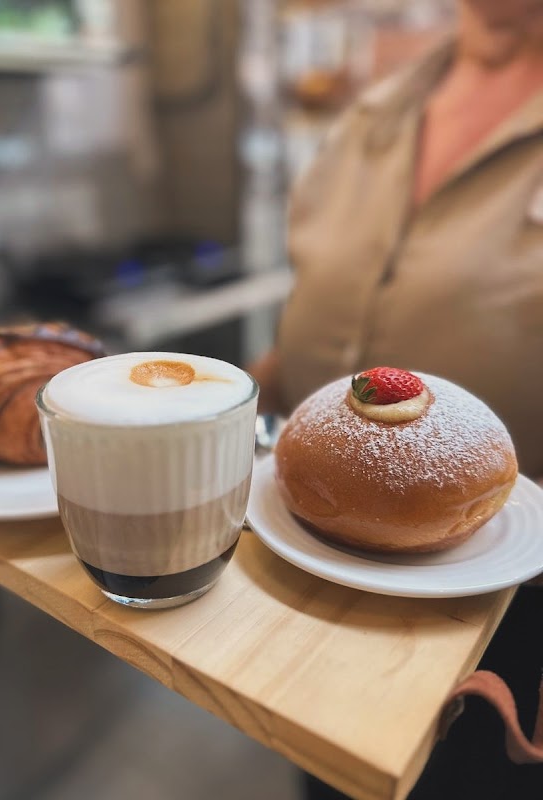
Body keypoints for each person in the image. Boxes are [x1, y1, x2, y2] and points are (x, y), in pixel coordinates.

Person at [248, 1, 543, 797]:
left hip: (499, 609)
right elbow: (321, 307)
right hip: (309, 565)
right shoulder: (375, 108)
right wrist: (231, 404)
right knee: (327, 776)